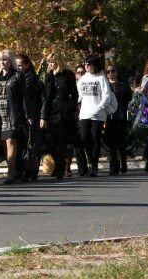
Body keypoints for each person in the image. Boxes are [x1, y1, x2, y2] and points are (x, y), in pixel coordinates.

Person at [39, 51, 78, 180]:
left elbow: (74, 94)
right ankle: (59, 163)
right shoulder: (48, 76)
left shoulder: (68, 75)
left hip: (64, 113)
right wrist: (43, 116)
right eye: (49, 63)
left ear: (58, 62)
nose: (50, 65)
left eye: (53, 62)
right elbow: (46, 97)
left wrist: (69, 107)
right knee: (49, 141)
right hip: (51, 113)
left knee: (61, 142)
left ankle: (60, 169)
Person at [76, 55, 113, 177]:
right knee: (84, 137)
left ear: (94, 65)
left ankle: (94, 165)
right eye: (85, 63)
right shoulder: (82, 79)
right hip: (85, 113)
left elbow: (107, 95)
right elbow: (79, 95)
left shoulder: (101, 78)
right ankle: (91, 159)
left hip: (98, 114)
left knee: (95, 138)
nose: (87, 66)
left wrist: (99, 107)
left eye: (89, 64)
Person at [0, 50, 24, 184]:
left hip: (12, 113)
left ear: (11, 61)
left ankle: (11, 172)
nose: (3, 62)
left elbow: (24, 97)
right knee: (4, 144)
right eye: (1, 59)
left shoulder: (17, 76)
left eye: (6, 59)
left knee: (11, 142)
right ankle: (15, 170)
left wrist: (27, 115)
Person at [15, 53, 43, 182]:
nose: (19, 68)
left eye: (21, 65)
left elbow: (25, 95)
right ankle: (24, 170)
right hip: (23, 114)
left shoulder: (30, 78)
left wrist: (30, 115)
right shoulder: (19, 76)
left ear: (27, 65)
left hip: (32, 115)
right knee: (25, 144)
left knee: (32, 144)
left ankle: (32, 171)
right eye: (17, 65)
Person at [104, 64, 133, 175]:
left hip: (121, 116)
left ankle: (123, 163)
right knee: (111, 143)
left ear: (117, 72)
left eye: (113, 71)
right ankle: (113, 166)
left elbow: (129, 98)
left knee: (121, 142)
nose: (111, 73)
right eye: (108, 72)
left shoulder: (123, 84)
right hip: (108, 117)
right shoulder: (105, 85)